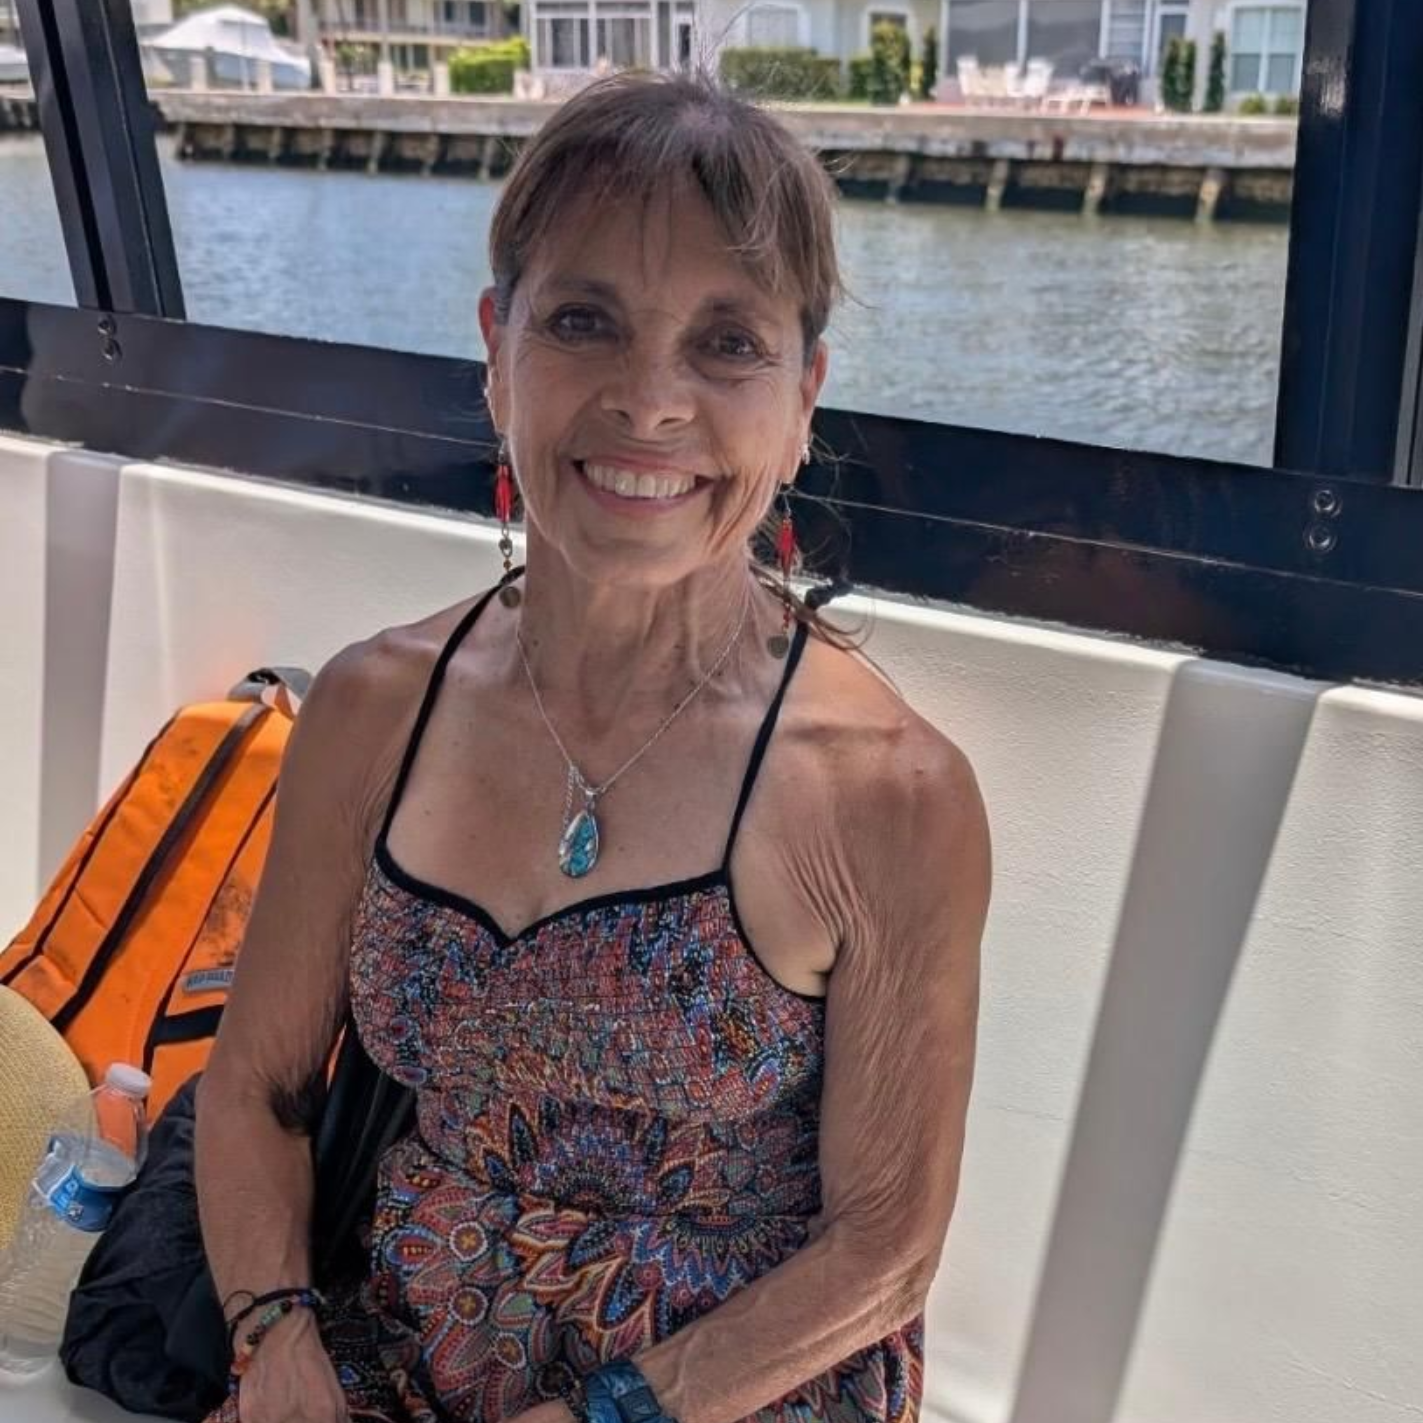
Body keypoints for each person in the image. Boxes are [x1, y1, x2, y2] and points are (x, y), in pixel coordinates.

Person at [195, 69, 990, 1423]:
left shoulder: (890, 796)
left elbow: (883, 1248)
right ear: (496, 347)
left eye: (725, 344)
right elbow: (255, 1086)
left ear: (804, 401)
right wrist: (275, 1342)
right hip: (382, 1360)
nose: (649, 401)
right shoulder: (371, 710)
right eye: (584, 321)